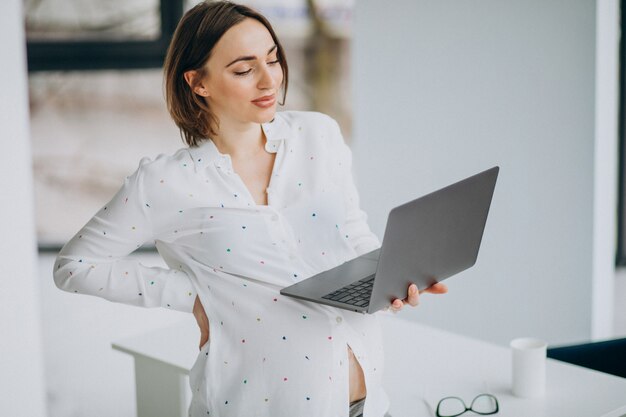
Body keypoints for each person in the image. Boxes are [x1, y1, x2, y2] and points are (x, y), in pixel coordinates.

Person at [53, 1, 447, 416]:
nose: (269, 80)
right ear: (198, 82)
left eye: (273, 59)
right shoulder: (167, 182)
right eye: (244, 70)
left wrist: (389, 276)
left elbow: (350, 230)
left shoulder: (319, 135)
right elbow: (75, 265)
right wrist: (192, 296)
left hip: (368, 404)